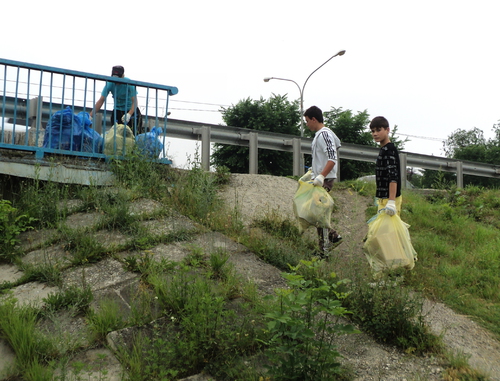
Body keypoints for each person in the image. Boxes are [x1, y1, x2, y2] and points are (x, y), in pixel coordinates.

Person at [303, 105, 342, 256]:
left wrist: (321, 176)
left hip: (324, 179)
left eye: (307, 121)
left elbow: (332, 157)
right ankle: (330, 238)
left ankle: (326, 246)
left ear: (314, 119)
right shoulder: (320, 135)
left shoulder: (324, 134)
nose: (306, 124)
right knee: (316, 212)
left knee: (318, 213)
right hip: (320, 178)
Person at [90, 65, 143, 135]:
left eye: (119, 80)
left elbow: (135, 101)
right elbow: (101, 100)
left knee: (134, 134)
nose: (117, 82)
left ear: (123, 76)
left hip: (132, 111)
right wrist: (90, 116)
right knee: (116, 136)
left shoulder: (129, 83)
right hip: (118, 111)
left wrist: (129, 114)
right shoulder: (110, 83)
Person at [369, 116, 402, 216]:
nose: (375, 134)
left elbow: (393, 176)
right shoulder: (384, 149)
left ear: (387, 130)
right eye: (373, 131)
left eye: (379, 130)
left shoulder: (389, 150)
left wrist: (391, 201)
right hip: (384, 199)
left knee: (387, 231)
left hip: (389, 200)